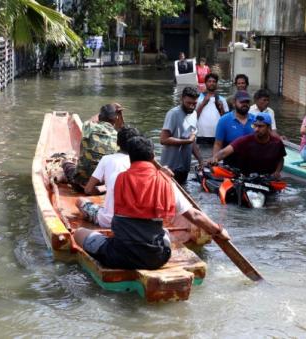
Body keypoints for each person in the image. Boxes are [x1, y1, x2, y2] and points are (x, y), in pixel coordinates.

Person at [74, 136, 230, 270]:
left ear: (130, 158)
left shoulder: (118, 178)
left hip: (120, 256)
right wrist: (218, 230)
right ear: (152, 156)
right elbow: (195, 215)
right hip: (157, 258)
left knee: (79, 233)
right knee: (165, 232)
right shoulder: (166, 182)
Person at [76, 127, 141, 228]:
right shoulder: (140, 163)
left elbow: (88, 190)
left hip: (109, 220)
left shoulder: (107, 159)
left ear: (117, 143)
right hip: (133, 221)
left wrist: (101, 189)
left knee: (80, 201)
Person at [62, 103, 123, 191]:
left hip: (80, 182)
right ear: (115, 118)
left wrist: (108, 110)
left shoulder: (89, 127)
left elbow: (92, 119)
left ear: (100, 117)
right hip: (102, 183)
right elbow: (121, 127)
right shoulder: (118, 136)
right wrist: (117, 114)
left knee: (66, 162)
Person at [211, 113, 286, 178]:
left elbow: (280, 159)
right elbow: (224, 152)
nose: (256, 129)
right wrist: (214, 159)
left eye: (260, 126)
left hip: (267, 178)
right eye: (255, 126)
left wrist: (277, 172)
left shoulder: (277, 143)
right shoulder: (245, 140)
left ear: (269, 127)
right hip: (246, 177)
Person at [159, 87, 202, 184]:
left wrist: (200, 159)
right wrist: (188, 141)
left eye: (194, 104)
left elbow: (192, 139)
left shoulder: (194, 114)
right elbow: (163, 139)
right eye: (188, 103)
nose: (191, 106)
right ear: (181, 99)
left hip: (184, 167)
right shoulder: (173, 114)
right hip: (170, 168)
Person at [211, 90, 256, 165]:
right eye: (242, 102)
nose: (245, 104)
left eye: (247, 102)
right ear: (234, 103)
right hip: (230, 165)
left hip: (252, 164)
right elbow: (218, 144)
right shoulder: (224, 120)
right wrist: (215, 160)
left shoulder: (256, 120)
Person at [196, 73, 229, 144]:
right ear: (205, 83)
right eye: (209, 81)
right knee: (202, 155)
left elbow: (225, 119)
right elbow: (194, 117)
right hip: (201, 134)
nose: (212, 83)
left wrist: (221, 108)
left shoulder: (222, 99)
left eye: (214, 81)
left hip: (218, 135)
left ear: (217, 84)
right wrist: (203, 103)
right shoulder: (198, 99)